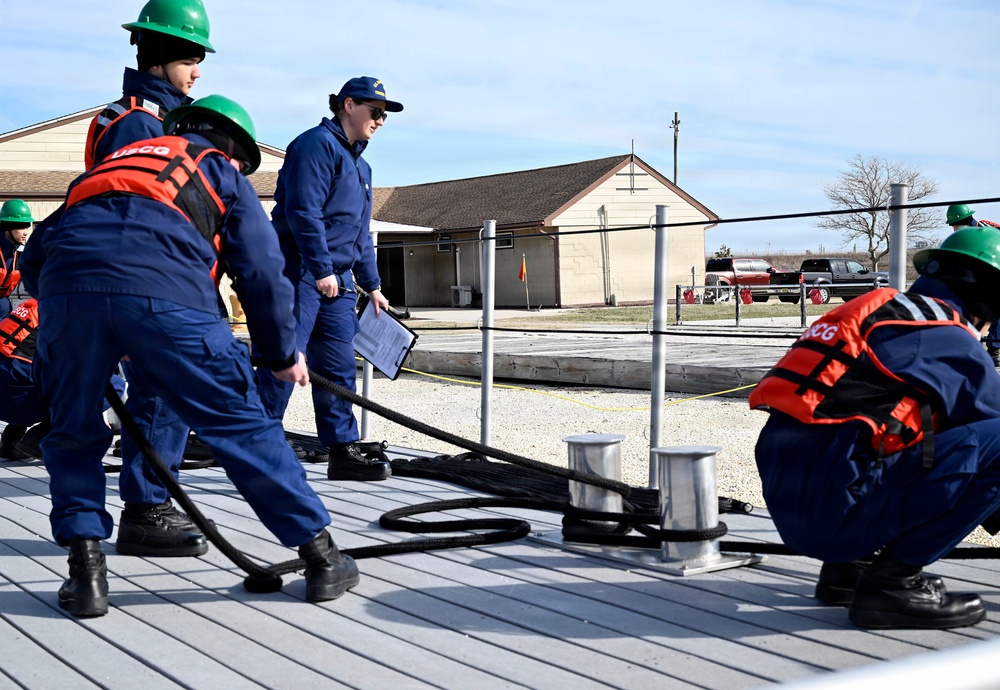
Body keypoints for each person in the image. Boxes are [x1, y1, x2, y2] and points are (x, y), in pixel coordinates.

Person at [21, 95, 359, 617]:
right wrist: (276, 354)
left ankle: (85, 573)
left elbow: (37, 254)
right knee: (241, 425)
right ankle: (321, 557)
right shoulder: (215, 168)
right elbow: (263, 273)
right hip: (169, 297)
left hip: (68, 300)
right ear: (232, 147)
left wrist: (82, 324)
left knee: (71, 433)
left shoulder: (111, 165)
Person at [749, 227, 1000, 631]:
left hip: (795, 512)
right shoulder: (942, 334)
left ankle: (848, 572)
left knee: (893, 427)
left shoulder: (880, 311)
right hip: (837, 514)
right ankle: (892, 586)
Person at [83, 0, 216, 559]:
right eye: (190, 57)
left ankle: (147, 500)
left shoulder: (122, 114)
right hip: (148, 275)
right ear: (160, 57)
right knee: (160, 391)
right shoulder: (145, 123)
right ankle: (145, 509)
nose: (198, 70)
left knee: (157, 392)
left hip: (128, 274)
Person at [255, 76, 401, 482]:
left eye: (384, 115)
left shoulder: (361, 165)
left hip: (336, 282)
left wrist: (371, 285)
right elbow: (304, 212)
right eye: (375, 111)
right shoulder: (314, 145)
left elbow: (359, 230)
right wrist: (321, 270)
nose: (381, 120)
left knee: (338, 367)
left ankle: (342, 449)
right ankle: (259, 451)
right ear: (349, 105)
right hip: (300, 272)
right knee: (283, 361)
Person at [0, 299, 126, 461]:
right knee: (115, 386)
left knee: (32, 364)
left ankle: (11, 441)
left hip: (5, 402)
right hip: (23, 399)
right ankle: (43, 436)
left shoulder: (37, 305)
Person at [946, 204, 1000, 365]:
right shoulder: (961, 237)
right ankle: (972, 347)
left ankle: (994, 350)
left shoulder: (988, 231)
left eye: (955, 224)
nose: (953, 228)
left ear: (966, 220)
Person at [0, 199, 33, 319]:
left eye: (27, 228)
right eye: (22, 228)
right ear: (8, 228)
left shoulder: (20, 252)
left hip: (3, 306)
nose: (26, 233)